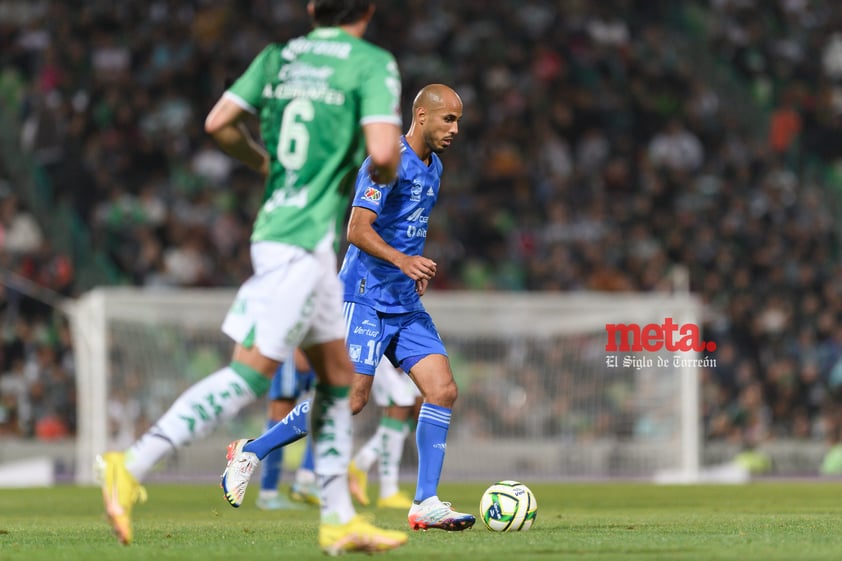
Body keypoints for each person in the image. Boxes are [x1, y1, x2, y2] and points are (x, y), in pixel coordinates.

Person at [97, 0, 408, 554]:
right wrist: (379, 169)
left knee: (338, 379)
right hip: (298, 243)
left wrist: (266, 164)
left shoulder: (277, 57)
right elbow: (385, 152)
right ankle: (132, 462)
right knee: (250, 377)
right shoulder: (371, 63)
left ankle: (338, 518)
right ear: (369, 8)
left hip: (291, 235)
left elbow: (218, 124)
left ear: (314, 8)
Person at [221, 83, 476, 532]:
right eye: (448, 119)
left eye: (458, 120)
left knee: (442, 390)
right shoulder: (385, 162)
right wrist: (403, 261)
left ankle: (425, 502)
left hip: (402, 301)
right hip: (364, 296)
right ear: (421, 117)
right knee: (352, 400)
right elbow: (357, 229)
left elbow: (406, 229)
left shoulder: (434, 167)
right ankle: (251, 451)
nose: (455, 129)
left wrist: (411, 273)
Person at [347, 359, 422, 509]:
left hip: (414, 349)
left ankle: (363, 460)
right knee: (399, 406)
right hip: (388, 352)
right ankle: (388, 491)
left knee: (419, 412)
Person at [256, 349, 317, 510]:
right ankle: (268, 492)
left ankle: (307, 479)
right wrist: (296, 347)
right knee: (280, 411)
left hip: (317, 346)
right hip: (293, 350)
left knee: (324, 410)